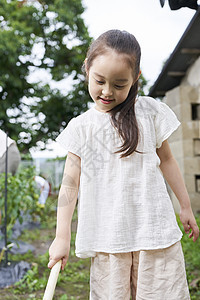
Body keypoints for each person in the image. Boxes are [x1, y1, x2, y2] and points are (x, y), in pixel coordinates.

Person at [48, 30, 199, 299]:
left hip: (154, 234)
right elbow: (70, 185)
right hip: (109, 239)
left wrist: (185, 206)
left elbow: (167, 160)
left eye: (119, 84)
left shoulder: (149, 112)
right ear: (87, 68)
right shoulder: (82, 127)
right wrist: (62, 237)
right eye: (99, 81)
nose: (107, 91)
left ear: (135, 78)